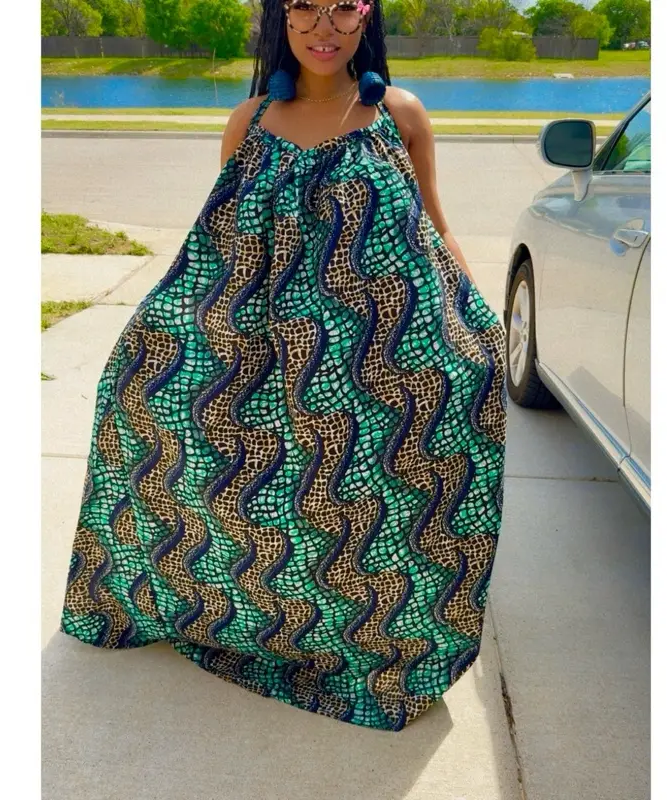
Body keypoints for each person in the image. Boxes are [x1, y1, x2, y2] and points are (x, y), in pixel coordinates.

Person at [59, 0, 507, 732]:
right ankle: (248, 618)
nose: (323, 27)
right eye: (304, 7)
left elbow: (435, 224)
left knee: (369, 509)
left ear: (367, 17)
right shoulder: (251, 121)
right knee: (248, 490)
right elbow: (224, 244)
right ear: (280, 16)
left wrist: (475, 323)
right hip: (266, 349)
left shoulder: (398, 113)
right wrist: (168, 342)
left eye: (343, 8)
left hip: (378, 356)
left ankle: (375, 643)